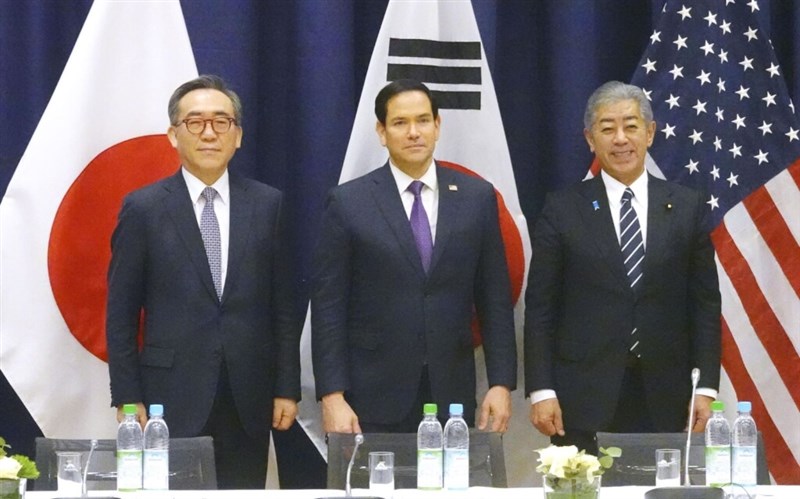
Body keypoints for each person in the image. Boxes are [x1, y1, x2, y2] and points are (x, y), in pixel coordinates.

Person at [106, 74, 300, 489]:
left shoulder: (268, 204)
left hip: (249, 395)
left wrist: (287, 387)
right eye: (195, 122)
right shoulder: (143, 208)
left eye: (221, 122)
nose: (209, 133)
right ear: (174, 135)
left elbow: (284, 306)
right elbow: (121, 313)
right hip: (168, 398)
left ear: (238, 135)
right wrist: (126, 395)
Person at [524, 81, 721, 455]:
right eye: (607, 128)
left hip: (668, 395)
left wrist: (706, 388)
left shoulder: (687, 206)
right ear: (590, 139)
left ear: (649, 133)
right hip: (582, 398)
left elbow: (705, 306)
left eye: (631, 126)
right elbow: (541, 308)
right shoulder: (563, 209)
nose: (620, 139)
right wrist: (542, 390)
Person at [311, 79, 517, 434]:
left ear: (437, 126)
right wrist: (332, 395)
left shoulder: (476, 197)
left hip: (452, 394)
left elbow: (494, 299)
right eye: (400, 122)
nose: (413, 132)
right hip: (371, 395)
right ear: (381, 131)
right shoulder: (348, 202)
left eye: (423, 120)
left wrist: (500, 384)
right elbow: (329, 307)